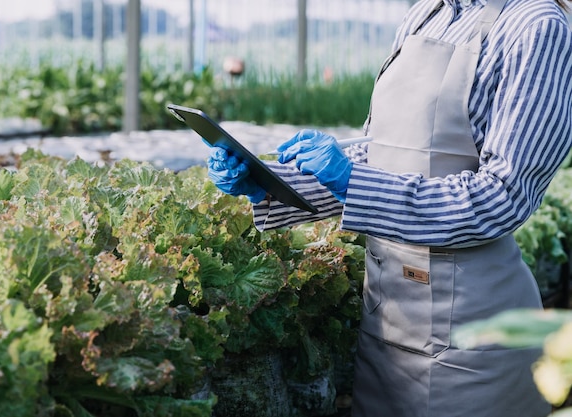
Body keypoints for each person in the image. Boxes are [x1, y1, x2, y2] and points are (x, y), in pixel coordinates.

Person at [207, 0, 572, 415]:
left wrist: (351, 180)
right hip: (385, 324)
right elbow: (376, 156)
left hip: (470, 338)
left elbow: (502, 197)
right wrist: (267, 183)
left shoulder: (536, 25)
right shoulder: (425, 12)